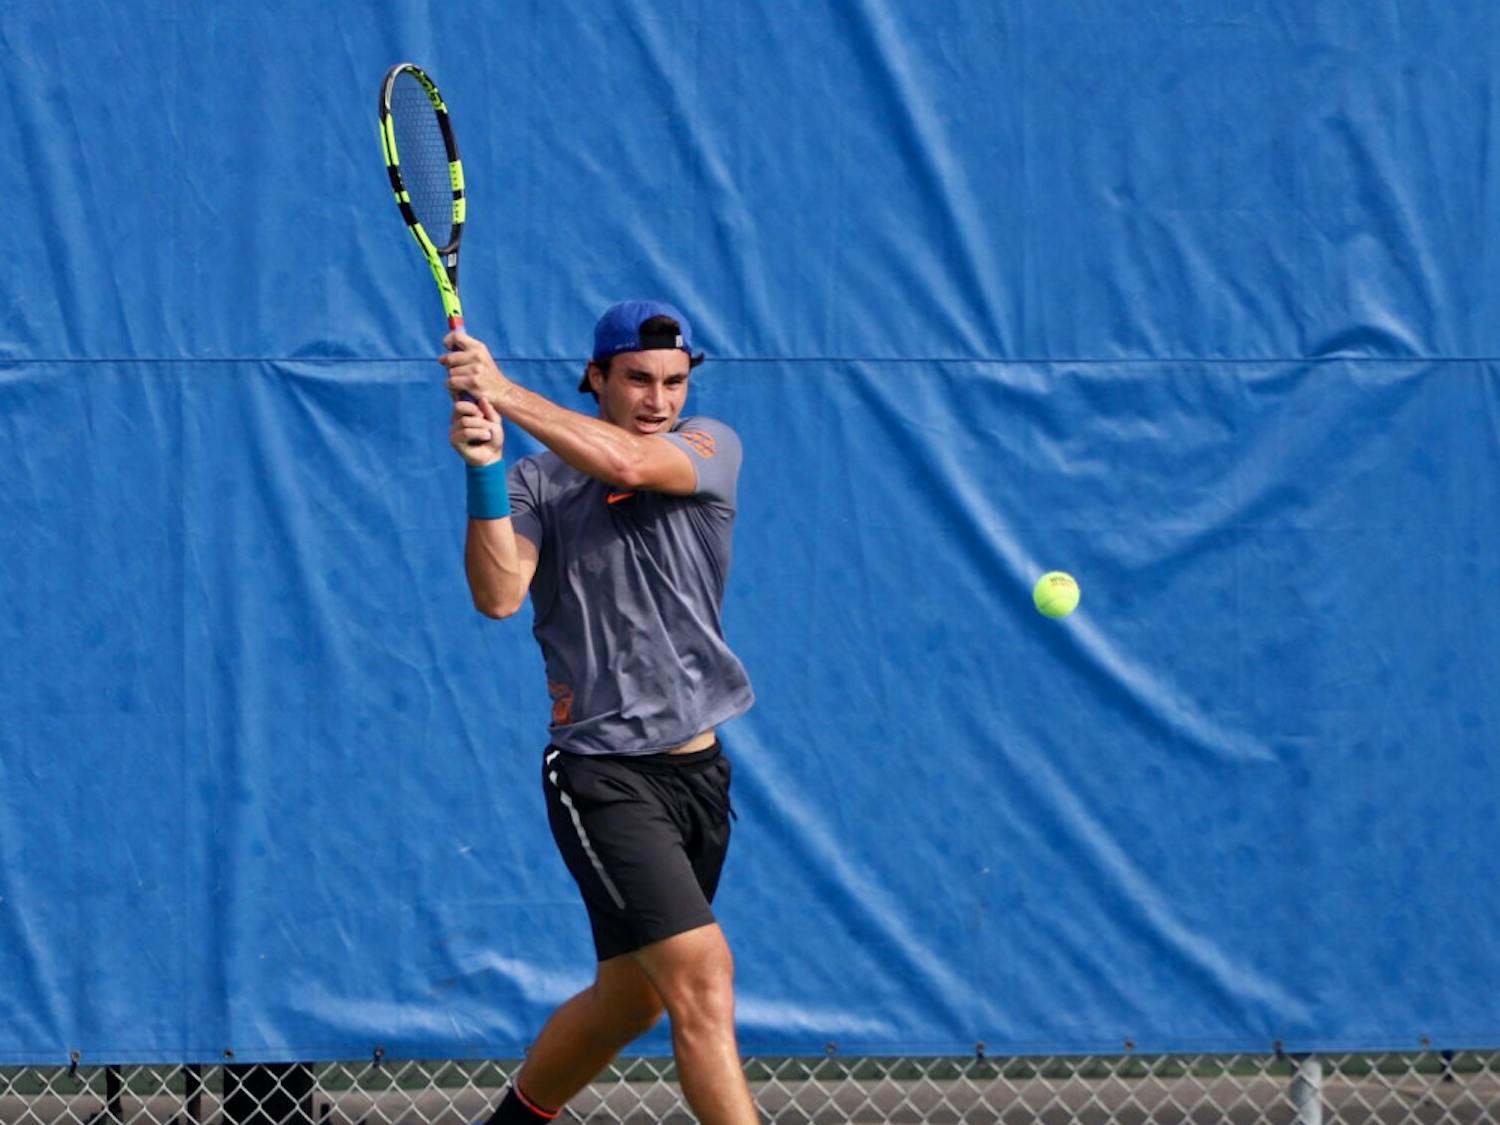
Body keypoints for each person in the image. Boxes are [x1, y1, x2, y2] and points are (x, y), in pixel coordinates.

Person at [439, 300, 758, 1125]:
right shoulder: (537, 484)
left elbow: (632, 466)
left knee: (631, 1000)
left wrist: (501, 391)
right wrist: (483, 469)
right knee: (701, 976)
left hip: (698, 771)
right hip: (603, 773)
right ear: (596, 377)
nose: (659, 398)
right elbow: (500, 594)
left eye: (673, 382)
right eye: (638, 380)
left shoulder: (709, 447)